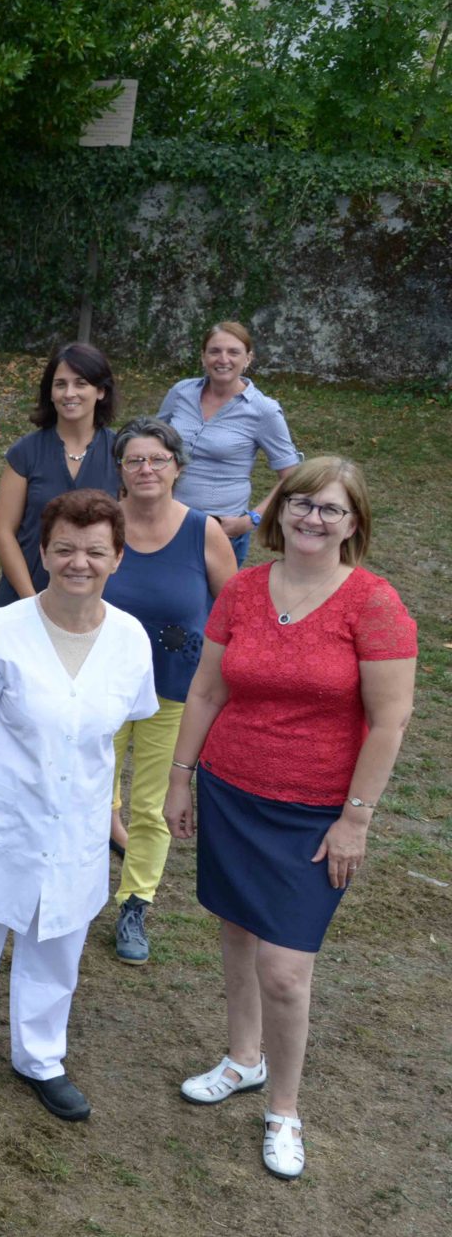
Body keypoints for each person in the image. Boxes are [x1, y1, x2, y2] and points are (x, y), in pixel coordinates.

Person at [166, 457, 415, 1179]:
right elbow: (207, 692)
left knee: (285, 969)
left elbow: (389, 722)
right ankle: (243, 1057)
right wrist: (181, 779)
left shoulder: (373, 604)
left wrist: (356, 821)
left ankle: (284, 1108)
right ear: (281, 511)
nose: (312, 518)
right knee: (238, 929)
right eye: (301, 503)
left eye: (330, 509)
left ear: (354, 524)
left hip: (314, 814)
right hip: (232, 792)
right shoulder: (242, 590)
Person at [0, 491, 158, 1123]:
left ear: (118, 558)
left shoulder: (129, 639)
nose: (80, 562)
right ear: (44, 552)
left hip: (74, 819)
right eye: (66, 549)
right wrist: (9, 782)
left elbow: (114, 730)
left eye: (96, 551)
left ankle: (41, 1057)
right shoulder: (3, 628)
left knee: (57, 944)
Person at [98, 418, 236, 963]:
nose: (146, 469)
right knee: (85, 793)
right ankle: (73, 888)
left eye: (157, 459)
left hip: (175, 692)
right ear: (121, 471)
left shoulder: (204, 531)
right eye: (135, 460)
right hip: (99, 688)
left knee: (153, 807)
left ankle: (135, 903)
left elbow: (233, 614)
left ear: (178, 467)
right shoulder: (102, 523)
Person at [157, 321, 301, 567]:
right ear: (203, 357)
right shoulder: (181, 392)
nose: (223, 359)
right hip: (165, 519)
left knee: (213, 604)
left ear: (248, 358)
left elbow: (292, 477)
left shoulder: (263, 410)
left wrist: (251, 520)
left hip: (221, 530)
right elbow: (151, 440)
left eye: (233, 352)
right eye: (215, 351)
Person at [0, 343, 119, 606]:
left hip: (95, 600)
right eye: (60, 384)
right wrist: (31, 602)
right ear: (50, 393)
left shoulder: (120, 453)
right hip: (25, 594)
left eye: (80, 383)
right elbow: (4, 531)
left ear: (101, 391)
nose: (69, 393)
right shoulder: (25, 452)